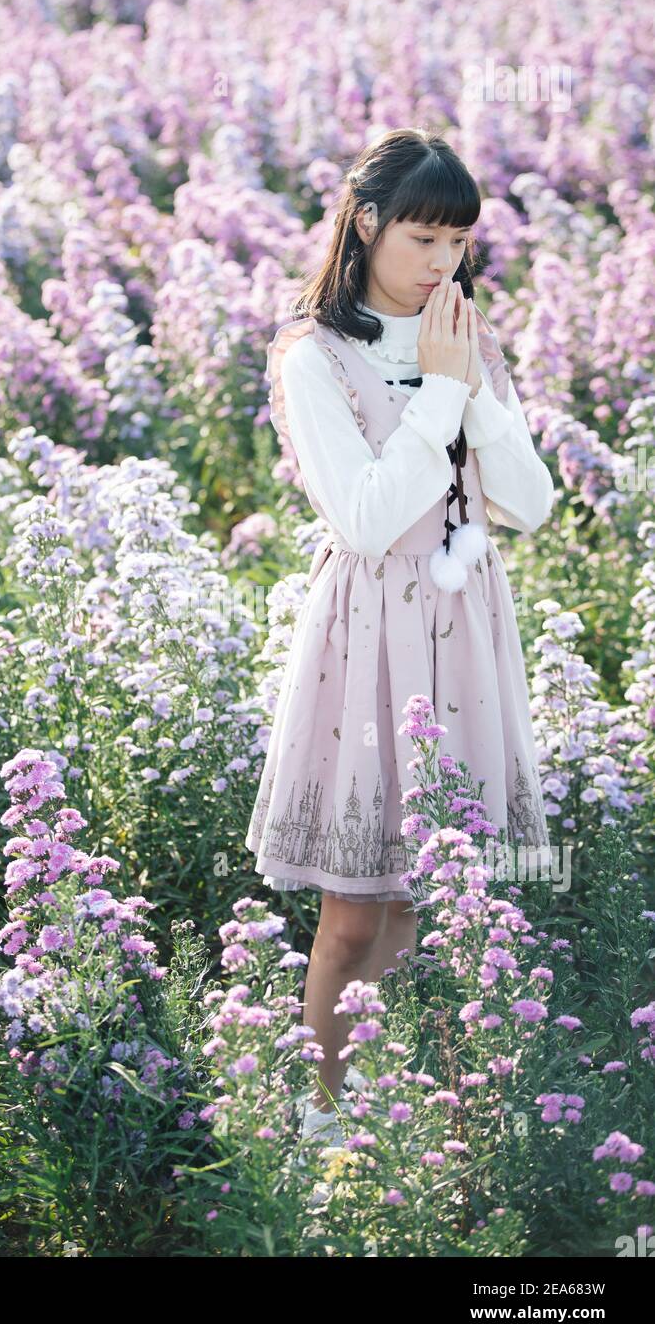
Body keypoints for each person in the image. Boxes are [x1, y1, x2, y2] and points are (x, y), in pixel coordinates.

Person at [243, 128, 555, 1143]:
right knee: (350, 906)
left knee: (425, 892)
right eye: (423, 237)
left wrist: (469, 390)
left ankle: (374, 1098)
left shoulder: (463, 340)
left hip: (460, 622)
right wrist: (444, 397)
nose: (440, 264)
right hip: (369, 629)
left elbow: (527, 503)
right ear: (366, 223)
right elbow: (366, 519)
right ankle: (316, 1120)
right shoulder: (313, 357)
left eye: (457, 243)